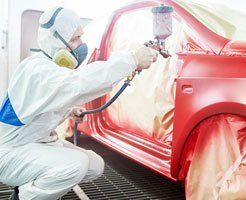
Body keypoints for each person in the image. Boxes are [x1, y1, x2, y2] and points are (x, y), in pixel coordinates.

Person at [0, 6, 158, 200]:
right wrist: (132, 60)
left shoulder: (49, 68)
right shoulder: (37, 69)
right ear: (54, 41)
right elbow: (79, 84)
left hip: (33, 144)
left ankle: (32, 184)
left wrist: (69, 111)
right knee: (75, 165)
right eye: (74, 39)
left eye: (80, 37)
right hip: (11, 152)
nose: (81, 44)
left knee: (94, 165)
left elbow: (47, 103)